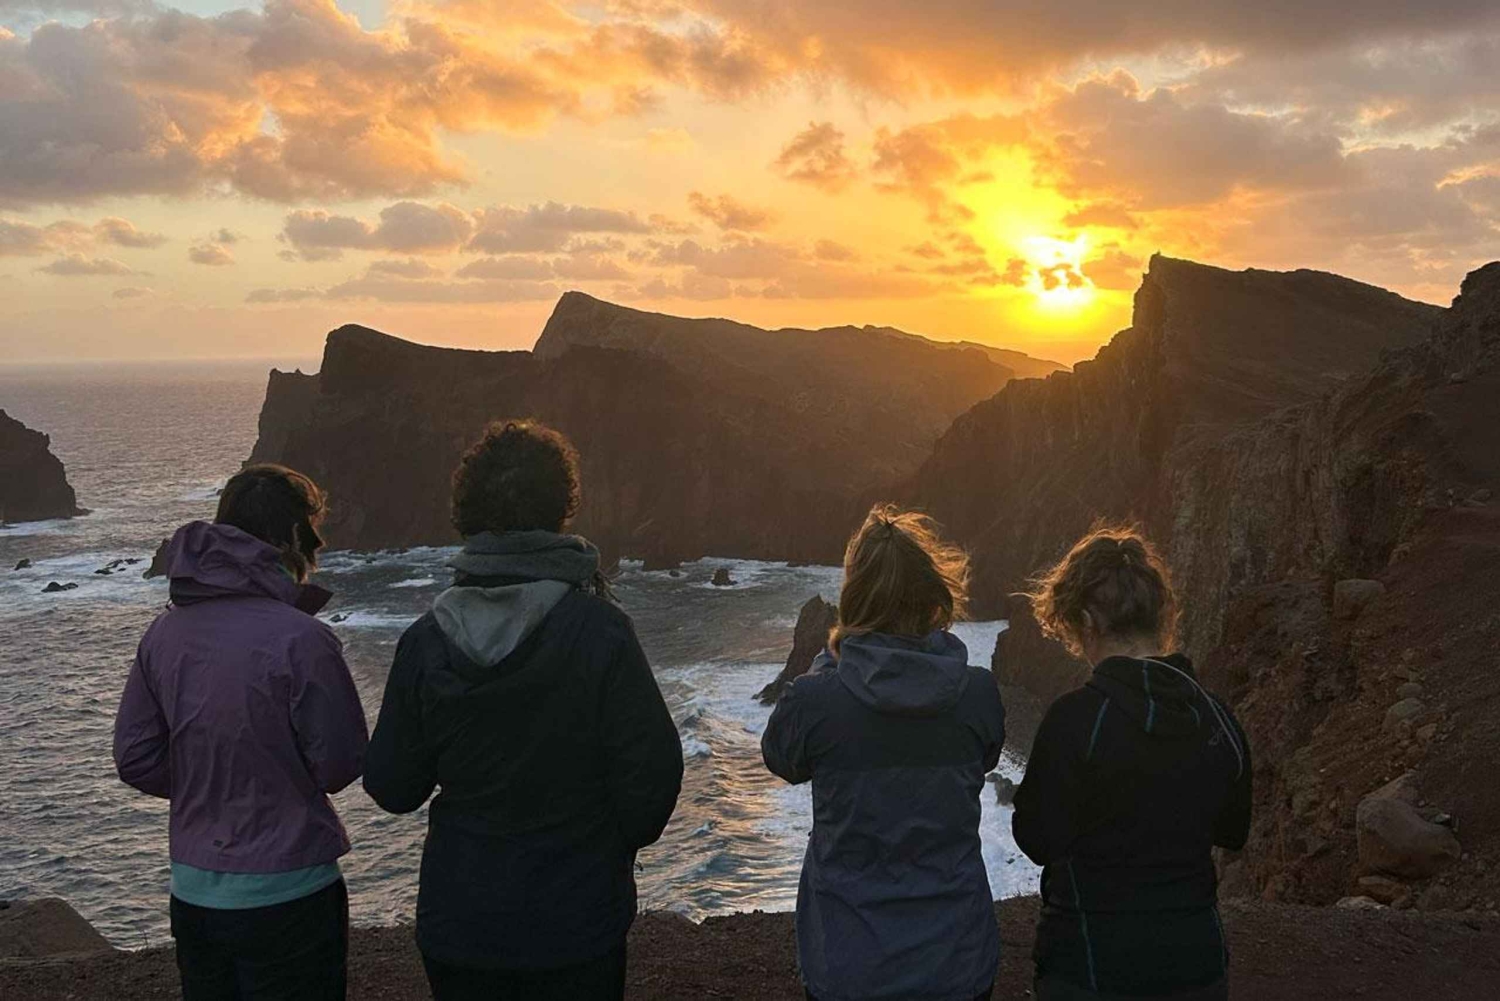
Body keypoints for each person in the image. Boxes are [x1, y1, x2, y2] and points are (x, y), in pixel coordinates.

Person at [363, 419, 683, 1001]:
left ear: (468, 510)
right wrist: (604, 844)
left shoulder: (426, 641)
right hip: (577, 921)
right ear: (562, 505)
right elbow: (653, 782)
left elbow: (392, 785)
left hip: (462, 920)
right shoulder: (601, 631)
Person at [113, 464, 369, 1001]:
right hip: (291, 888)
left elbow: (135, 757)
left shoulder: (162, 634)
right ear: (293, 538)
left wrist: (207, 782)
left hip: (195, 890)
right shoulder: (303, 639)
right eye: (311, 528)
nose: (319, 541)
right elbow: (340, 765)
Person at [762, 504, 1007, 1001]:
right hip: (957, 959)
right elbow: (986, 757)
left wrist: (830, 662)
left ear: (854, 599)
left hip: (850, 964)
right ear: (933, 597)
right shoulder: (978, 693)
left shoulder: (816, 701)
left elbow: (780, 758)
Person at [1011, 524, 1252, 1001]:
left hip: (1091, 965)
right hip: (1196, 964)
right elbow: (1233, 830)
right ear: (1159, 615)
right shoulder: (1216, 717)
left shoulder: (1077, 720)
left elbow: (1038, 838)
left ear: (1085, 622)